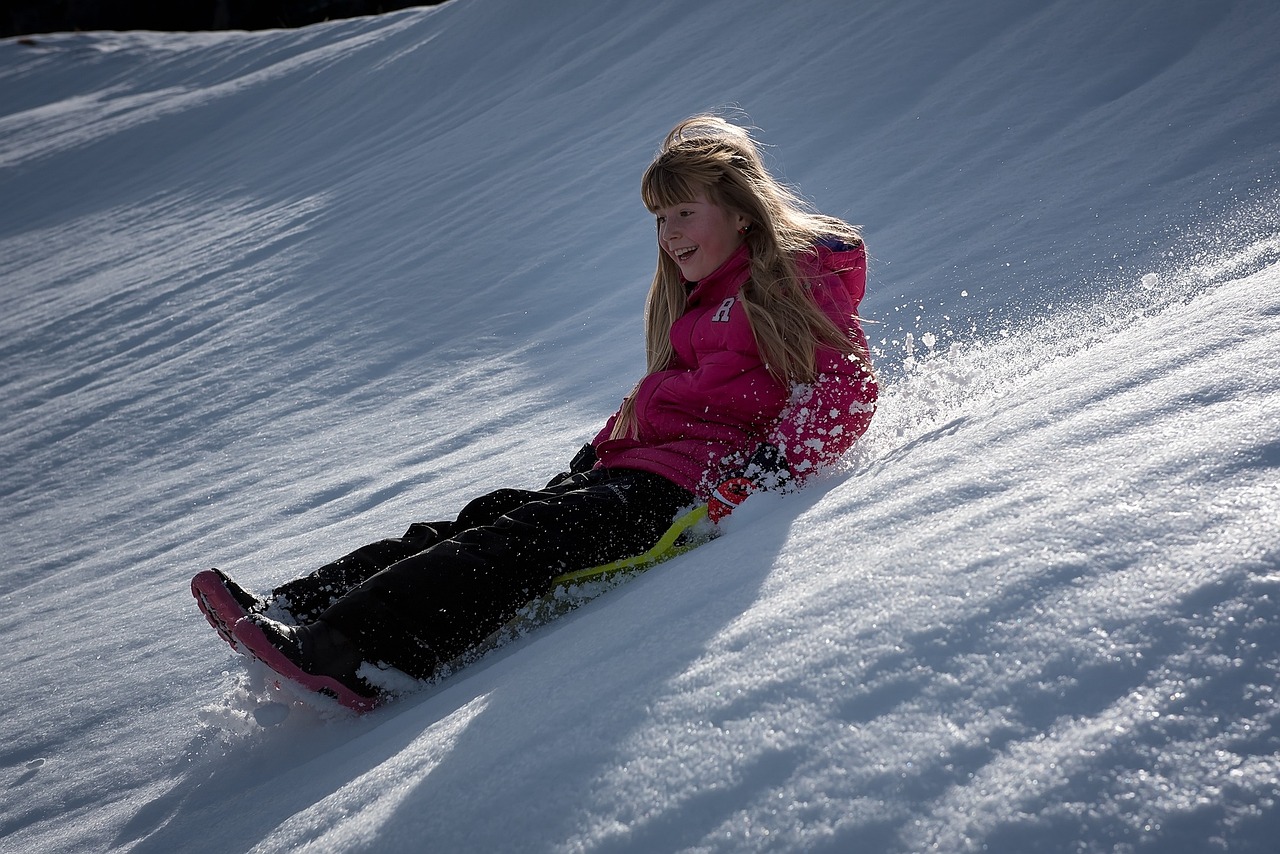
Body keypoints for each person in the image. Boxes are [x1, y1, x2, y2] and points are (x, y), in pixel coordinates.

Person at [191, 115, 879, 712]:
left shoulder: (791, 281)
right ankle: (294, 607)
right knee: (477, 518)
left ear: (740, 212)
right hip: (635, 470)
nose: (669, 235)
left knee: (513, 545)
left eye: (683, 214)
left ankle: (352, 655)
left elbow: (845, 385)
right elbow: (663, 395)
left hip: (686, 494)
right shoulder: (699, 307)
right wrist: (602, 444)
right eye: (660, 220)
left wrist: (774, 467)